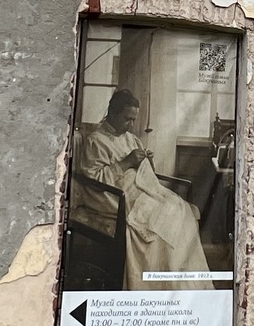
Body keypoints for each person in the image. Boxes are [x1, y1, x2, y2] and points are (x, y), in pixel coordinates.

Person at [76, 89, 208, 290]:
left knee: (179, 208)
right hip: (112, 196)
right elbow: (93, 180)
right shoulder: (96, 140)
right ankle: (158, 285)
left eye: (133, 119)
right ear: (112, 113)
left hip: (140, 189)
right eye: (127, 119)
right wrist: (126, 162)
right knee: (166, 215)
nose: (131, 125)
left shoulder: (130, 138)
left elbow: (147, 174)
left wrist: (147, 163)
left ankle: (177, 283)